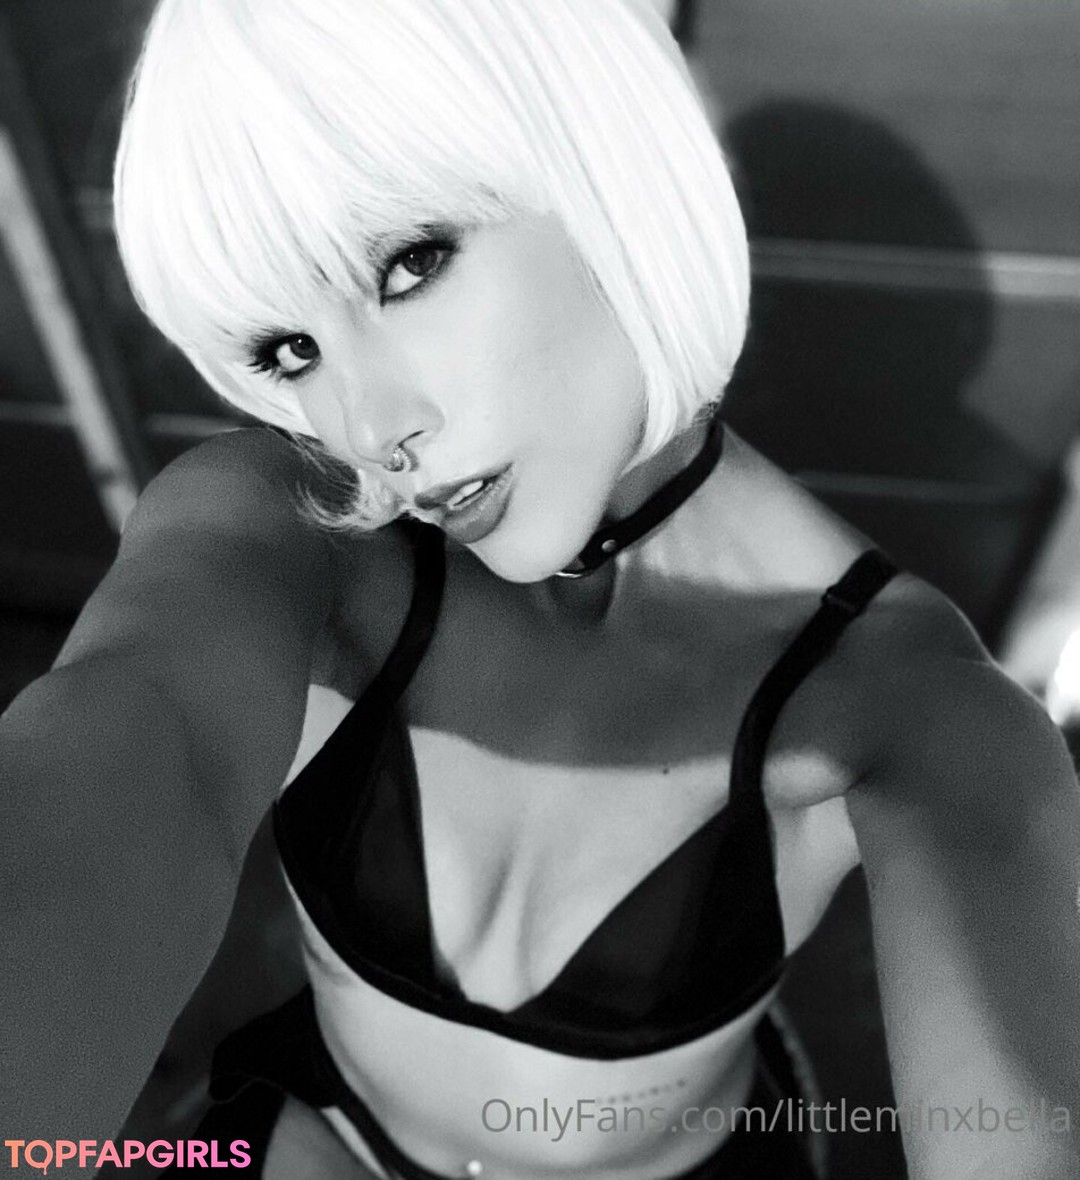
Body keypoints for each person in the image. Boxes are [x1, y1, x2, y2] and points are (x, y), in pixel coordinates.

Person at [3, 1, 1080, 1177]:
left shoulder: (909, 704)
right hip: (322, 1129)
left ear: (607, 172)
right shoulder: (289, 528)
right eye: (291, 350)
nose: (369, 425)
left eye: (410, 263)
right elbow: (121, 753)